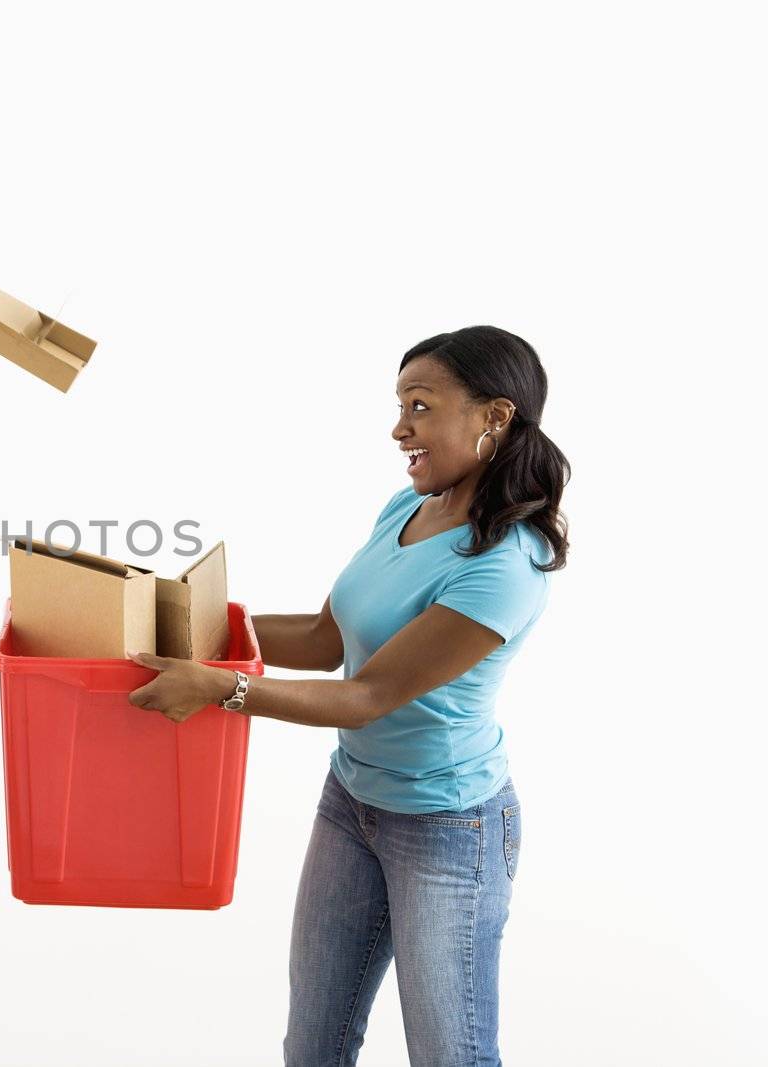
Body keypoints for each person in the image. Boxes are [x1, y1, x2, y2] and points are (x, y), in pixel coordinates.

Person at [127, 326, 570, 1066]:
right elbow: (324, 636)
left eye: (420, 406)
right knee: (314, 1044)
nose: (400, 428)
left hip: (447, 826)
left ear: (493, 416)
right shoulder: (406, 507)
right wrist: (186, 621)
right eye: (401, 405)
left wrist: (218, 687)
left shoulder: (507, 565)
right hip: (353, 802)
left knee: (450, 1055)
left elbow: (367, 694)